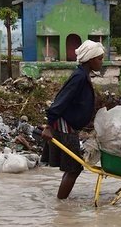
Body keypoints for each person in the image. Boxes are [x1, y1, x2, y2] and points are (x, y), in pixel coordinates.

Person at [41, 40, 104, 199]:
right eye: (99, 58)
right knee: (75, 168)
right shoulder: (79, 77)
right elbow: (60, 101)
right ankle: (61, 209)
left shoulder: (83, 75)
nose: (101, 62)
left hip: (70, 126)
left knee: (72, 168)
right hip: (64, 126)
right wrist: (48, 126)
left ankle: (61, 203)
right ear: (90, 59)